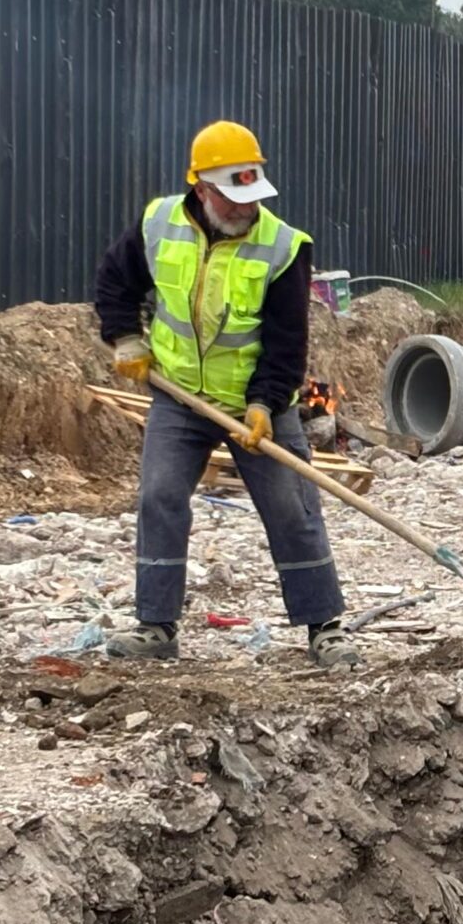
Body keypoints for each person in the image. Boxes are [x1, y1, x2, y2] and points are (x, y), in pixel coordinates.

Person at [92, 120, 354, 667]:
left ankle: (324, 627)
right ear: (202, 189)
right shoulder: (160, 223)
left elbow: (287, 344)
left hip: (257, 404)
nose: (244, 209)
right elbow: (116, 282)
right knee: (159, 498)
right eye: (232, 199)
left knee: (291, 509)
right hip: (179, 396)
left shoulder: (282, 247)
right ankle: (156, 627)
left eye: (251, 197)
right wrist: (125, 337)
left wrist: (263, 403)